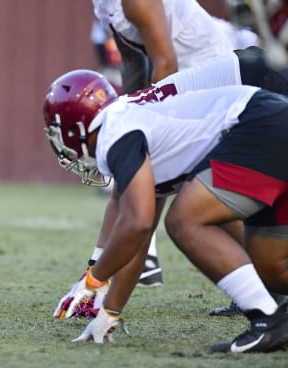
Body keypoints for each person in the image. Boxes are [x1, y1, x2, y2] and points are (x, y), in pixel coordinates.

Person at [43, 68, 288, 352]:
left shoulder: (115, 131)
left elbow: (139, 224)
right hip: (269, 121)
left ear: (76, 126)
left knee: (185, 221)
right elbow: (138, 239)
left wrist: (94, 279)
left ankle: (268, 321)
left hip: (259, 124)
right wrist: (109, 312)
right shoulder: (130, 126)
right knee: (272, 266)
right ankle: (272, 322)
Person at [50, 0, 237, 289]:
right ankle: (104, 273)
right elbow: (134, 61)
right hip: (187, 84)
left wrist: (144, 116)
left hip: (209, 84)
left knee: (179, 196)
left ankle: (104, 279)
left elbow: (164, 61)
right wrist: (129, 105)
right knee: (142, 183)